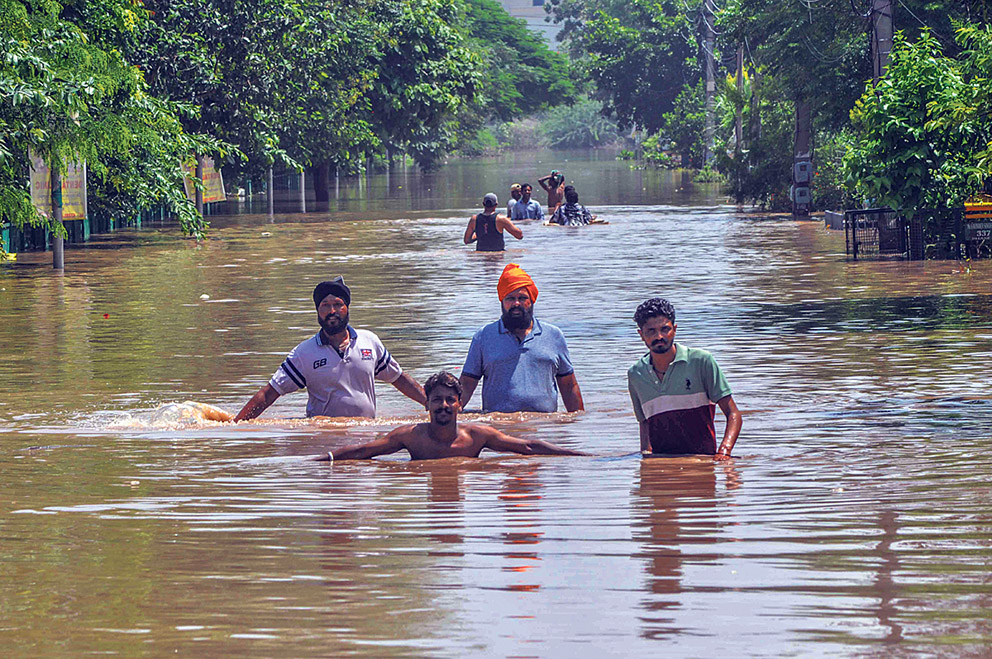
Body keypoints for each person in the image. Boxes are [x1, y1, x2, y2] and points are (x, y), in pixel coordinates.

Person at [234, 278, 426, 421]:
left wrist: (431, 403)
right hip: (322, 438)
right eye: (325, 305)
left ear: (347, 308)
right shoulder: (304, 353)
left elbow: (399, 378)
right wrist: (236, 425)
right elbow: (269, 393)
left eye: (337, 304)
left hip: (366, 437)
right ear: (317, 311)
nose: (332, 311)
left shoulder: (369, 342)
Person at [310, 371, 585, 461]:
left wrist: (577, 457)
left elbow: (527, 447)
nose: (443, 405)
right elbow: (362, 451)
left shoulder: (476, 436)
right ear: (426, 405)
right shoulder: (410, 436)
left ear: (460, 405)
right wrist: (321, 460)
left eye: (449, 400)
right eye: (436, 400)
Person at [627, 298, 742, 460]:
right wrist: (647, 462)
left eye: (664, 329)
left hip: (702, 463)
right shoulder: (636, 374)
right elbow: (644, 424)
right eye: (651, 331)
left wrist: (724, 451)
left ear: (674, 329)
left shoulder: (701, 361)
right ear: (641, 335)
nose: (659, 336)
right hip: (660, 468)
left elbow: (733, 414)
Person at [459, 263, 584, 413]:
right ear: (502, 301)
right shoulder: (484, 336)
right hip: (500, 431)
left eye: (522, 298)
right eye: (510, 298)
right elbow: (466, 385)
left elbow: (569, 386)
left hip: (545, 429)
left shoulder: (554, 335)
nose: (516, 303)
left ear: (531, 300)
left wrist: (578, 425)